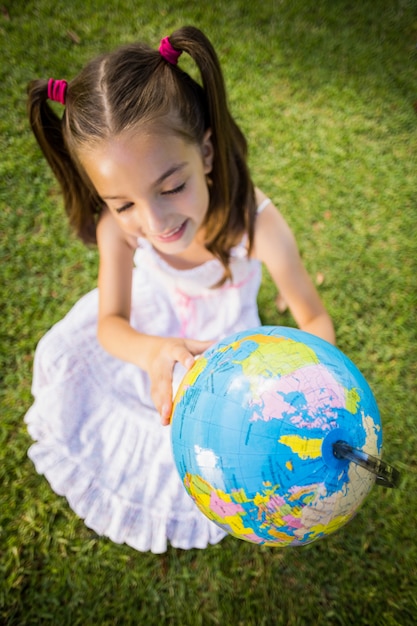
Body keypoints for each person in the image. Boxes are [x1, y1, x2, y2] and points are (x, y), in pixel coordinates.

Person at [24, 26, 335, 554]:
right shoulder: (118, 229)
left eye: (172, 187)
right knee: (69, 363)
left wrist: (306, 388)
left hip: (224, 340)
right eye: (123, 203)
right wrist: (153, 352)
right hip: (155, 325)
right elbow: (111, 324)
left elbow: (314, 320)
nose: (154, 220)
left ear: (207, 154)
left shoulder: (255, 226)